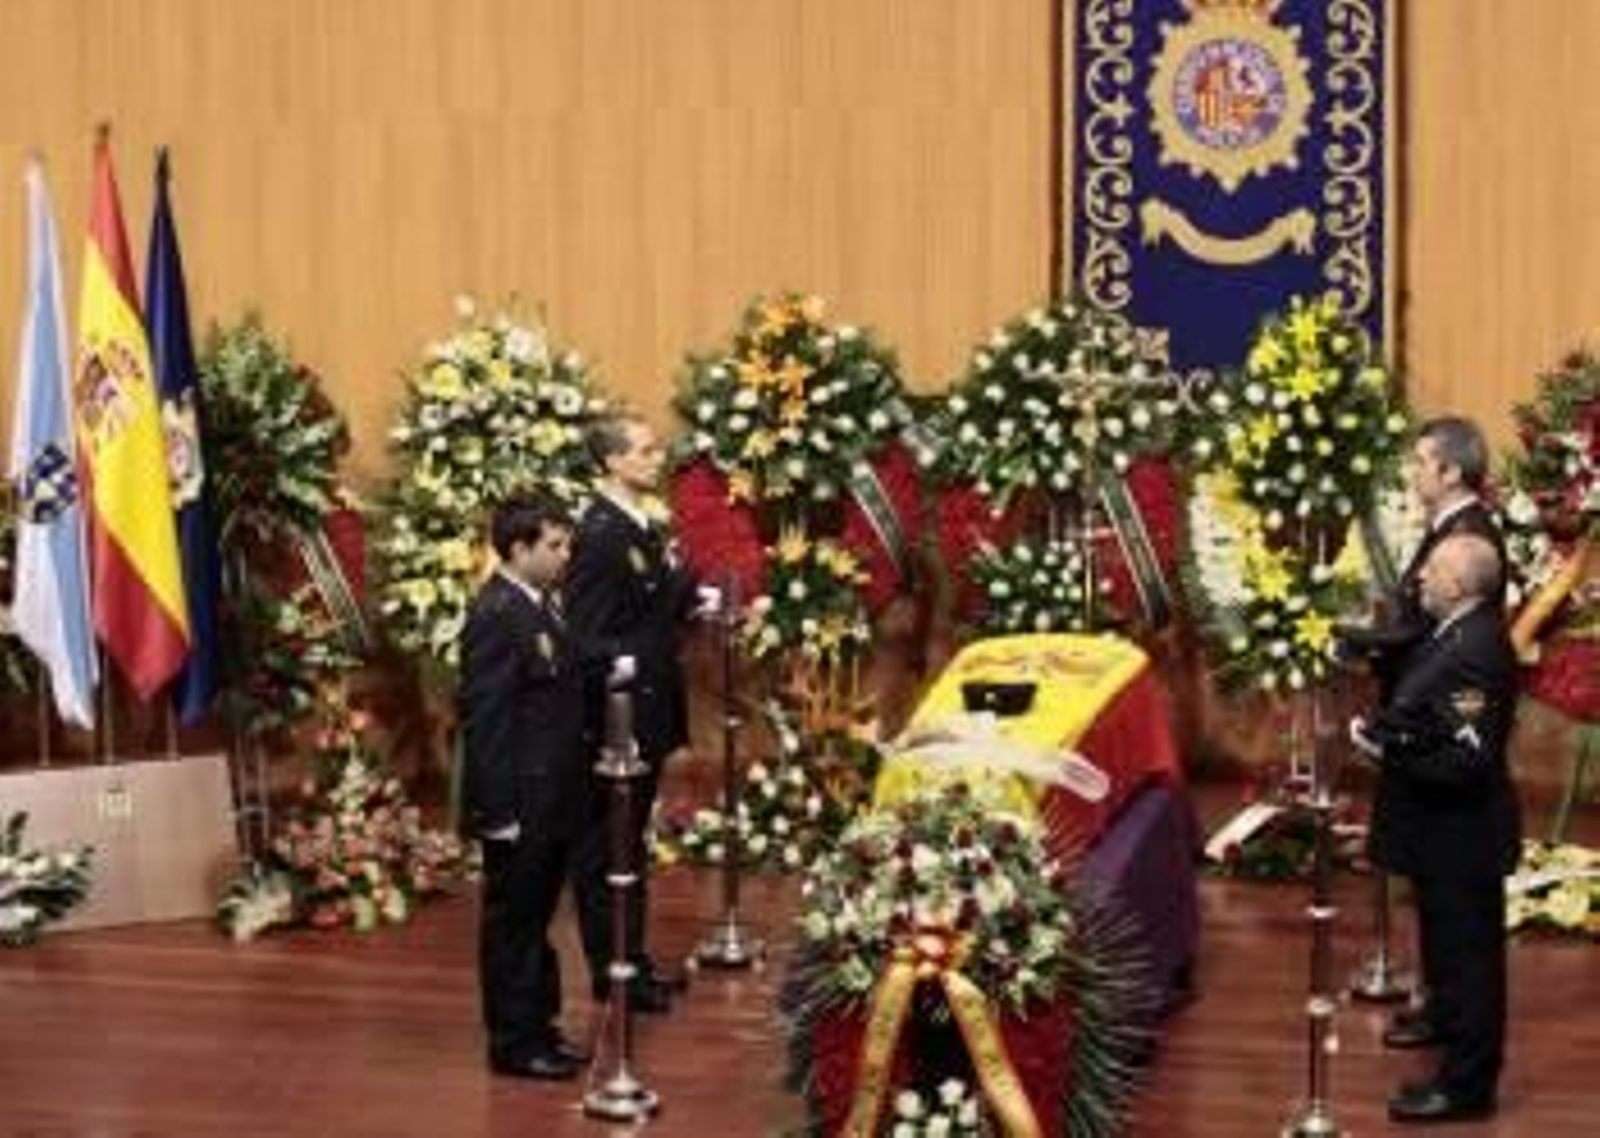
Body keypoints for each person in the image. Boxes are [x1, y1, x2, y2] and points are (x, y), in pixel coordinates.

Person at [1340, 415, 1506, 1049]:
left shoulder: (1469, 538)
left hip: (1437, 749)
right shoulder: (1453, 531)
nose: (1412, 472)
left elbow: (1427, 637)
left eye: (1421, 461)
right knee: (1438, 906)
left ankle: (1462, 1046)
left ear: (1452, 471)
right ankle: (1443, 1011)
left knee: (1459, 919)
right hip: (1420, 733)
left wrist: (1356, 645)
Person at [1350, 533, 1521, 1122]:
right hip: (1441, 833)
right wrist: (1391, 731)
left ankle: (1468, 1088)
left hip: (1462, 834)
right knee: (1445, 952)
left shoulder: (1474, 647)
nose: (1420, 577)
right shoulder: (1450, 633)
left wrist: (1388, 754)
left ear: (1460, 584)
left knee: (1468, 961)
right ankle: (1448, 1031)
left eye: (1433, 570)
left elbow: (1467, 757)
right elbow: (1435, 717)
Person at [567, 412, 718, 1013]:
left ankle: (632, 962)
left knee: (628, 845)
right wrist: (639, 650)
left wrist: (686, 595)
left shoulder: (633, 524)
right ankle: (614, 970)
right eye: (645, 450)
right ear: (612, 462)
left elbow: (644, 612)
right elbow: (588, 636)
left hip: (645, 707)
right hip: (617, 715)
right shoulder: (602, 533)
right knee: (610, 848)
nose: (657, 458)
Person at [458, 493, 595, 1080]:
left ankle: (540, 1025)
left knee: (536, 919)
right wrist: (496, 812)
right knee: (514, 925)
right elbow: (486, 720)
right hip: (520, 799)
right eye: (555, 545)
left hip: (553, 795)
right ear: (518, 549)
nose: (566, 555)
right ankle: (514, 1042)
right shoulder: (497, 614)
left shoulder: (542, 604)